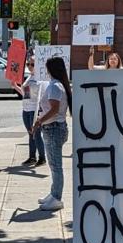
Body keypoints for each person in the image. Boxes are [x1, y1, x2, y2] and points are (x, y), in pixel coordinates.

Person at [28, 56, 71, 211]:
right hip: (56, 127)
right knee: (54, 164)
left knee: (55, 165)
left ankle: (57, 197)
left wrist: (39, 121)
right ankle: (54, 193)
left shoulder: (55, 86)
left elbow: (53, 109)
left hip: (53, 128)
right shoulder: (58, 85)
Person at [19, 59, 46, 167]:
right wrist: (16, 86)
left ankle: (42, 157)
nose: (30, 66)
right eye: (28, 64)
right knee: (31, 134)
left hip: (35, 109)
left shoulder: (42, 79)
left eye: (32, 64)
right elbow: (26, 94)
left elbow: (43, 96)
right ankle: (32, 157)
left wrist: (40, 111)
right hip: (26, 108)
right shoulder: (30, 77)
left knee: (37, 134)